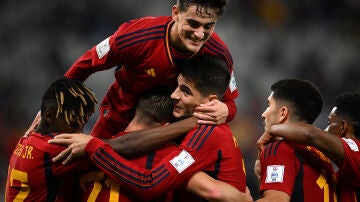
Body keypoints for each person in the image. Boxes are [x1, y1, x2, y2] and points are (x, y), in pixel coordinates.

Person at [26, 0, 239, 139]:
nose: (200, 34)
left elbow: (229, 101)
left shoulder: (219, 55)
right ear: (175, 13)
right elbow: (87, 63)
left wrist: (226, 111)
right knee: (90, 166)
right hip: (121, 113)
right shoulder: (137, 36)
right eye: (193, 23)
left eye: (208, 26)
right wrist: (55, 103)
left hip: (173, 127)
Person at [49, 55, 247, 201]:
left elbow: (151, 183)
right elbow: (217, 191)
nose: (174, 95)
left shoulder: (203, 132)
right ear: (165, 124)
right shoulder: (180, 144)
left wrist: (93, 147)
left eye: (185, 91)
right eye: (177, 86)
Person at [80, 85, 250, 201]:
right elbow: (215, 191)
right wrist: (244, 198)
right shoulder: (167, 155)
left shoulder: (86, 147)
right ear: (167, 127)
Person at [5, 78, 97, 201]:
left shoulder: (25, 141)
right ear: (49, 116)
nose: (80, 134)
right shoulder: (54, 148)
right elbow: (110, 149)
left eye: (82, 126)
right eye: (73, 124)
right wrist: (91, 144)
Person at [257, 91, 360, 201]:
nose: (325, 130)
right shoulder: (338, 169)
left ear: (343, 127)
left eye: (329, 123)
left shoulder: (357, 153)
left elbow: (311, 135)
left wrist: (272, 130)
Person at [256, 79, 336, 201]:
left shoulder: (280, 149)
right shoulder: (322, 156)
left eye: (268, 105)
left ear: (283, 113)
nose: (263, 114)